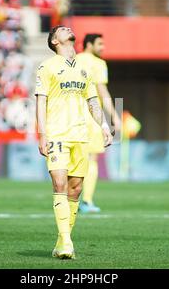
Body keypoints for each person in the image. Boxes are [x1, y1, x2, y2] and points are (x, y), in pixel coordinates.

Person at [35, 25, 113, 259]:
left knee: (75, 189)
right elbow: (41, 101)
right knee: (59, 184)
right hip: (57, 134)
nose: (67, 29)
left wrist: (104, 125)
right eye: (61, 29)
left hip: (81, 136)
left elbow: (93, 101)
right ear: (54, 41)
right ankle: (67, 242)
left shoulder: (84, 67)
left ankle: (61, 241)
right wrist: (42, 133)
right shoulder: (46, 67)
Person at [76, 34, 121, 213]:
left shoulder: (72, 60)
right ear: (89, 44)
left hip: (71, 115)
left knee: (74, 159)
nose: (102, 47)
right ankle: (86, 201)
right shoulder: (98, 63)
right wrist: (114, 117)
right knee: (92, 158)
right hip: (91, 116)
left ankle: (68, 199)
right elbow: (103, 92)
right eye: (100, 44)